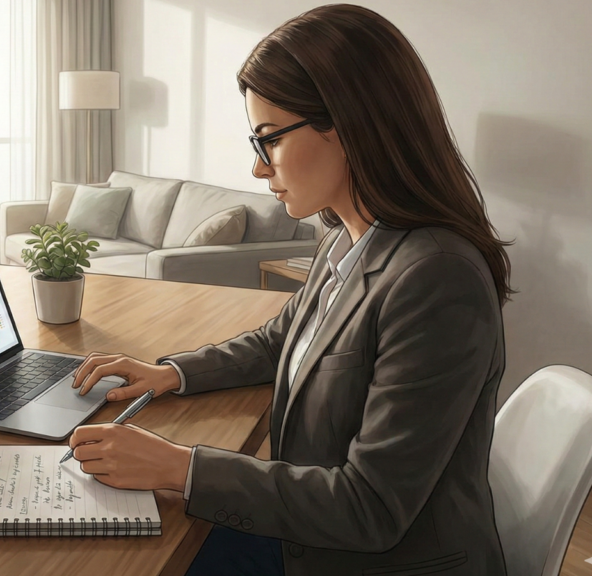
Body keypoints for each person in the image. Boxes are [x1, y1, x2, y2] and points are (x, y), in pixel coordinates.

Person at [68, 4, 514, 576]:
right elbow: (281, 339)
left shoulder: (437, 278)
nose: (258, 169)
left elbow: (369, 507)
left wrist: (181, 468)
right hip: (315, 536)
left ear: (350, 125)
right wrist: (171, 373)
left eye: (268, 140)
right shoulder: (343, 237)